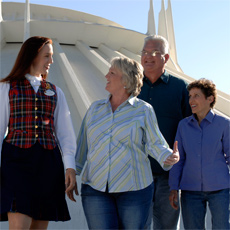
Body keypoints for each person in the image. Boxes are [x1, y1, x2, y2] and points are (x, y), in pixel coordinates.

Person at [74, 57, 180, 229]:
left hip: (134, 190)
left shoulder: (143, 110)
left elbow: (155, 143)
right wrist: (73, 171)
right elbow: (83, 144)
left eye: (112, 72)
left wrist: (168, 157)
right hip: (95, 187)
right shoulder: (95, 108)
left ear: (126, 80)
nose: (106, 75)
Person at [0, 36, 77, 229]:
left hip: (48, 163)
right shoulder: (7, 87)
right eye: (47, 56)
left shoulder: (55, 91)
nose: (51, 61)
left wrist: (70, 168)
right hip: (16, 162)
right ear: (33, 56)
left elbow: (65, 134)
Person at [138, 35, 192, 230]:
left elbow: (190, 128)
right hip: (135, 173)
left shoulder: (180, 88)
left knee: (167, 227)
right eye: (144, 52)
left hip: (168, 176)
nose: (147, 56)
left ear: (166, 58)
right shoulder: (131, 86)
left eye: (154, 52)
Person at [169, 78, 230, 230]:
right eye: (190, 96)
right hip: (190, 190)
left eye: (196, 95)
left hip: (220, 189)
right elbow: (178, 158)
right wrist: (173, 187)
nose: (191, 100)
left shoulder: (224, 124)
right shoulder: (183, 126)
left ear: (210, 99)